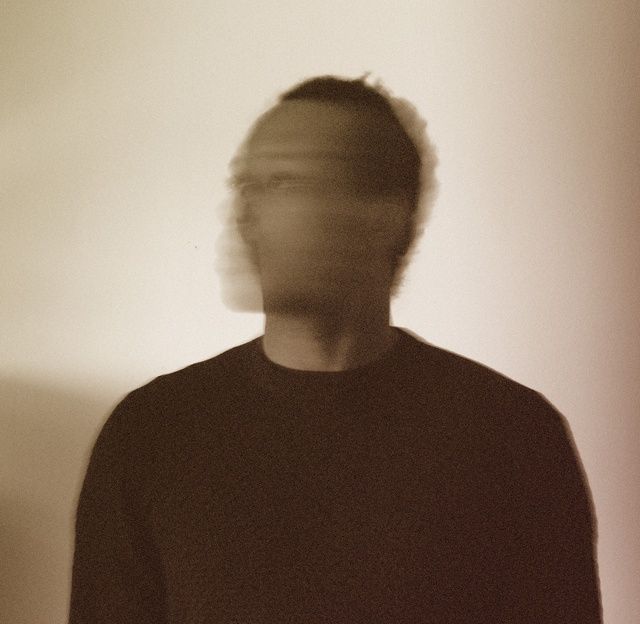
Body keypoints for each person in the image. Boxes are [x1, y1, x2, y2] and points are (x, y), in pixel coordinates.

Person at [69, 75, 602, 623]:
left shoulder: (512, 438)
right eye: (244, 185)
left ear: (385, 214)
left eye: (284, 182)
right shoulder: (150, 434)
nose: (244, 213)